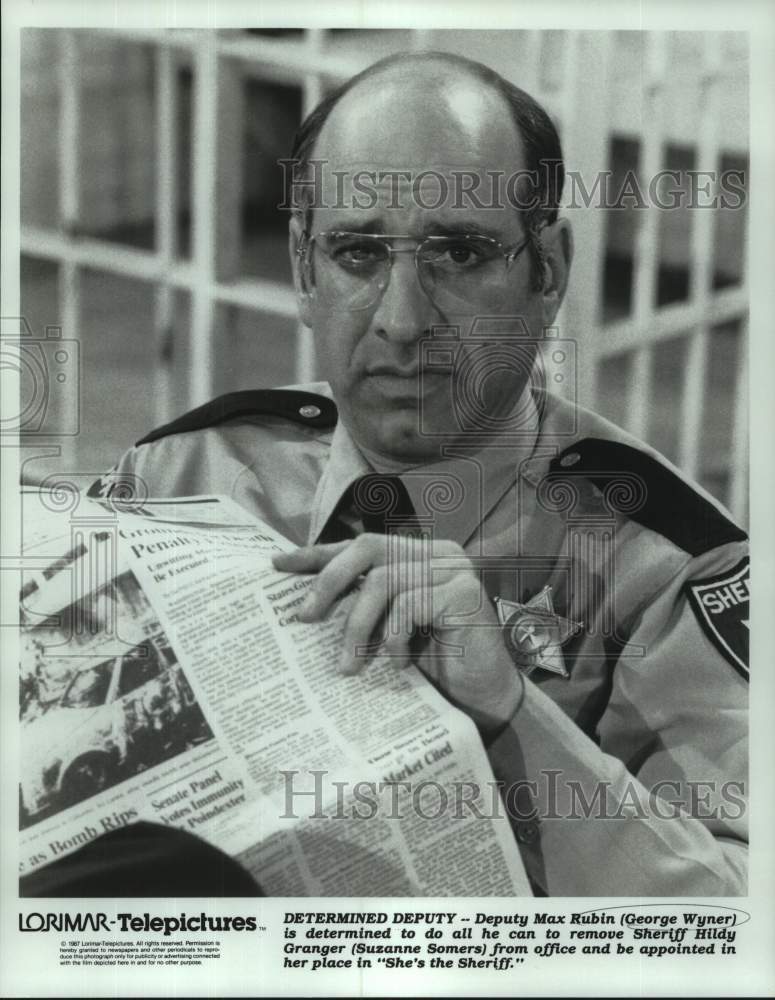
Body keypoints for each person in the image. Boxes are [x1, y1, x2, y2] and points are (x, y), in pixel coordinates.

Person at [77, 51, 746, 897]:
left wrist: (510, 712)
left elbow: (740, 921)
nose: (400, 320)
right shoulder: (186, 473)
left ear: (546, 273)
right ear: (302, 267)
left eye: (458, 255)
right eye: (358, 253)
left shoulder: (670, 569)